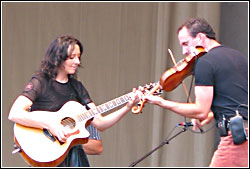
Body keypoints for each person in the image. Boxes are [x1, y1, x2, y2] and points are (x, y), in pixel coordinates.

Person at [8, 35, 141, 167]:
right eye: (72, 57)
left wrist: (127, 107)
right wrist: (50, 125)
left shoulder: (77, 88)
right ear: (58, 57)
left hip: (73, 159)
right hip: (47, 154)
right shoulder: (40, 82)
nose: (77, 61)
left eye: (78, 57)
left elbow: (100, 123)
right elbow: (15, 113)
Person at [143, 18, 248, 167]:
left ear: (200, 37)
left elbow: (200, 111)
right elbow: (236, 100)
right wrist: (213, 114)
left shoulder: (205, 63)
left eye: (186, 44)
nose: (184, 51)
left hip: (236, 138)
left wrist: (162, 102)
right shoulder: (238, 57)